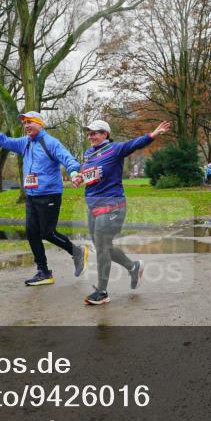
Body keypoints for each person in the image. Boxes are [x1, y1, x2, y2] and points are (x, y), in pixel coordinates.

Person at [0, 111, 88, 286]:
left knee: (47, 232)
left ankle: (77, 252)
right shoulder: (25, 142)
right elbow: (5, 141)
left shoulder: (50, 142)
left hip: (49, 194)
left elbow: (67, 158)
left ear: (40, 124)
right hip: (31, 195)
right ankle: (43, 272)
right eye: (24, 123)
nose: (26, 126)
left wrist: (74, 173)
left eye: (30, 122)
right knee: (32, 233)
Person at [78, 119, 172, 305]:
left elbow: (133, 144)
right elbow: (89, 174)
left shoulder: (115, 149)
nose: (90, 136)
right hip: (93, 206)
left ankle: (102, 291)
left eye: (94, 133)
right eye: (89, 133)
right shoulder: (88, 153)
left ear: (105, 134)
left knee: (102, 247)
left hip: (112, 205)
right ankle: (133, 267)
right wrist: (79, 177)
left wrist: (152, 135)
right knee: (103, 247)